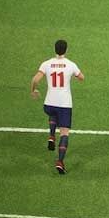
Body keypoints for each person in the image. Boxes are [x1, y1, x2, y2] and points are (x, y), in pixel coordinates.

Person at [30, 40, 85, 175]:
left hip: (49, 104)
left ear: (54, 49)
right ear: (66, 50)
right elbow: (81, 77)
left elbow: (35, 79)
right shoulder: (70, 64)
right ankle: (60, 161)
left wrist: (33, 90)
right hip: (64, 104)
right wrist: (73, 75)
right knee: (64, 133)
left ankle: (51, 136)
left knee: (53, 113)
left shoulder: (46, 63)